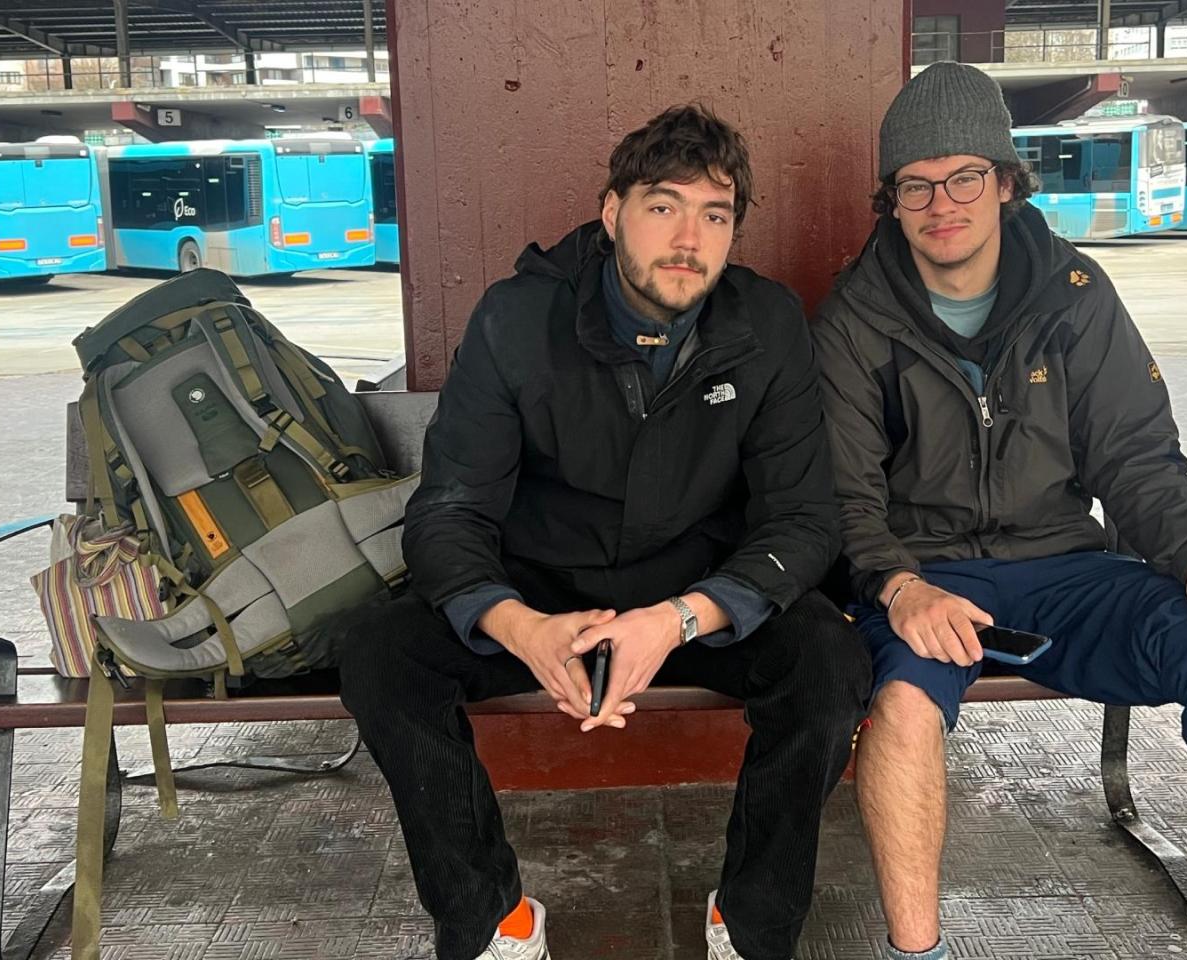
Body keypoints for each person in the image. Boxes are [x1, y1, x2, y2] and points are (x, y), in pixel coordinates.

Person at [340, 103, 871, 960]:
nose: (689, 238)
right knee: (380, 656)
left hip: (695, 599)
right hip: (541, 594)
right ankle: (491, 920)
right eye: (664, 206)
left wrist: (685, 615)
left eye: (715, 214)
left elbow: (804, 519)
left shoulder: (765, 323)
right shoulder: (518, 318)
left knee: (829, 663)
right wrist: (518, 625)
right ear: (613, 210)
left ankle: (752, 924)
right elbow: (448, 512)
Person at [813, 62, 1187, 960]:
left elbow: (1136, 461)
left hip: (1068, 570)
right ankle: (915, 948)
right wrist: (895, 587)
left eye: (965, 175)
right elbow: (844, 498)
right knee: (900, 708)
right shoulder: (853, 321)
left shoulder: (1076, 299)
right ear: (890, 201)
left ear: (1007, 180)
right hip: (928, 581)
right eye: (915, 186)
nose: (942, 203)